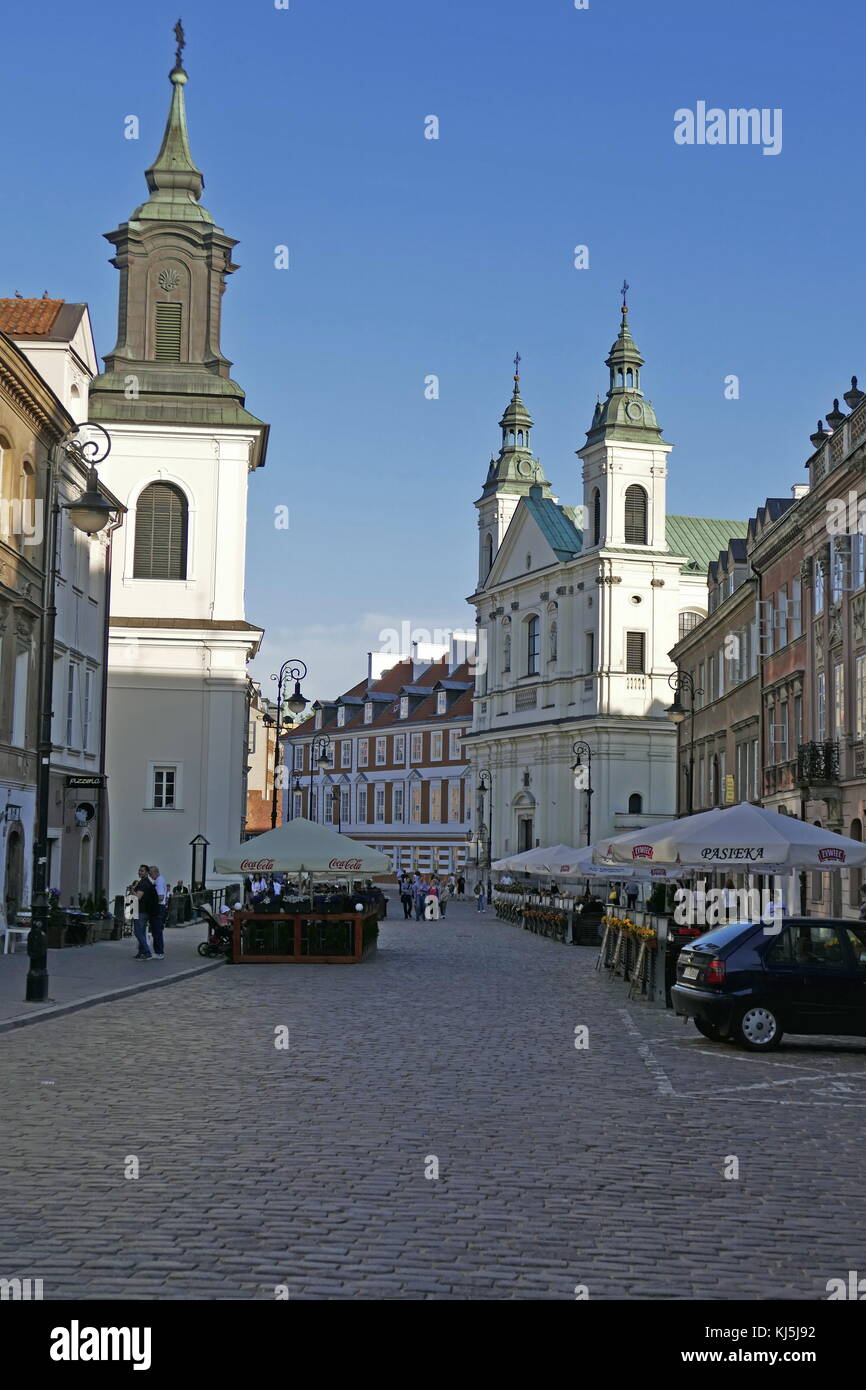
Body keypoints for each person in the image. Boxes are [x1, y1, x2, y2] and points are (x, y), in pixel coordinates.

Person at [131, 863, 160, 959]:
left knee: (138, 932)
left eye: (142, 871)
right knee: (142, 932)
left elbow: (138, 897)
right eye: (139, 870)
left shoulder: (144, 883)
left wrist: (132, 890)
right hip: (145, 911)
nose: (139, 872)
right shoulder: (146, 882)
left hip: (141, 911)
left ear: (147, 872)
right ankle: (141, 952)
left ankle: (147, 952)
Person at [150, 865, 168, 957]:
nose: (150, 875)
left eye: (151, 873)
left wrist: (152, 903)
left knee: (157, 931)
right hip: (160, 908)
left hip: (158, 907)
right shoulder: (159, 880)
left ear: (155, 872)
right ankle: (159, 951)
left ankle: (159, 952)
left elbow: (160, 897)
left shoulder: (159, 881)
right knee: (157, 930)